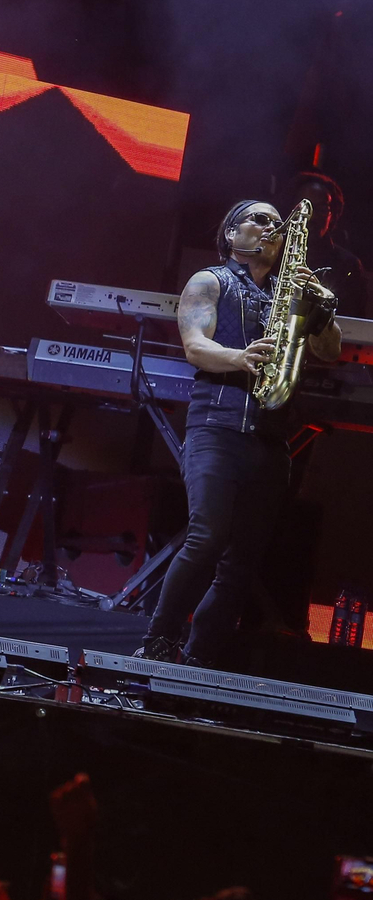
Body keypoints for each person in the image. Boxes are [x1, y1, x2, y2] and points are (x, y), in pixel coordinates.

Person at [138, 200, 341, 665]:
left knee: (243, 560)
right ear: (232, 234)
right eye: (259, 219)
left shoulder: (290, 293)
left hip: (271, 440)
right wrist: (240, 357)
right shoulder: (211, 281)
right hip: (217, 427)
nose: (272, 227)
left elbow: (329, 351)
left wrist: (318, 311)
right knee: (207, 537)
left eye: (277, 223)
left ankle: (200, 657)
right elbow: (195, 347)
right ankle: (158, 640)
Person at [290, 169, 366, 318]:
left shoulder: (348, 265)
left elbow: (353, 322)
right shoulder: (274, 252)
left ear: (333, 214)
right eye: (305, 207)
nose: (310, 216)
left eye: (321, 208)